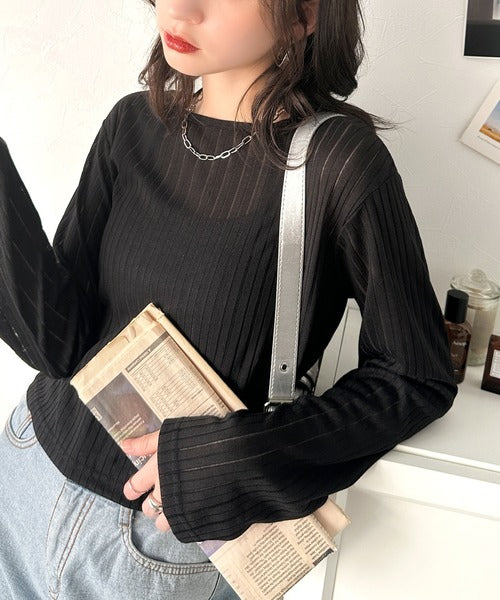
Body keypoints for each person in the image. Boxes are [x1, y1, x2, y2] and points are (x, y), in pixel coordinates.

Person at [0, 0, 457, 598]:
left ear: (307, 14)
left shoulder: (337, 161)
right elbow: (60, 345)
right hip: (26, 466)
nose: (180, 9)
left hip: (161, 548)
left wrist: (235, 458)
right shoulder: (131, 125)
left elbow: (416, 376)